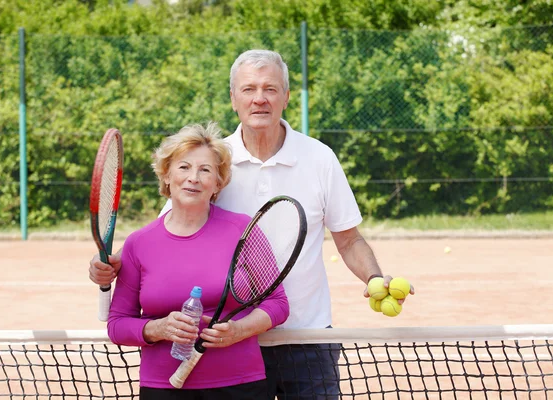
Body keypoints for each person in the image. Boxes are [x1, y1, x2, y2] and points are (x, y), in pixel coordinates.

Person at [90, 50, 415, 399]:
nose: (259, 98)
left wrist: (374, 276)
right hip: (229, 347)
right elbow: (165, 237)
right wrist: (108, 266)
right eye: (248, 89)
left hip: (306, 336)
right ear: (233, 99)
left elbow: (349, 241)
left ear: (286, 97)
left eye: (270, 89)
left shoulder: (320, 158)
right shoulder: (210, 160)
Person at [106, 121, 290, 400]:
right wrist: (158, 328)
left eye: (205, 170)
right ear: (166, 175)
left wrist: (238, 331)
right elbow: (117, 324)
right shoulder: (138, 243)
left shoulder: (243, 230)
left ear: (217, 183)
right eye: (183, 167)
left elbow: (278, 304)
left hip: (240, 386)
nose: (193, 177)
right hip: (163, 388)